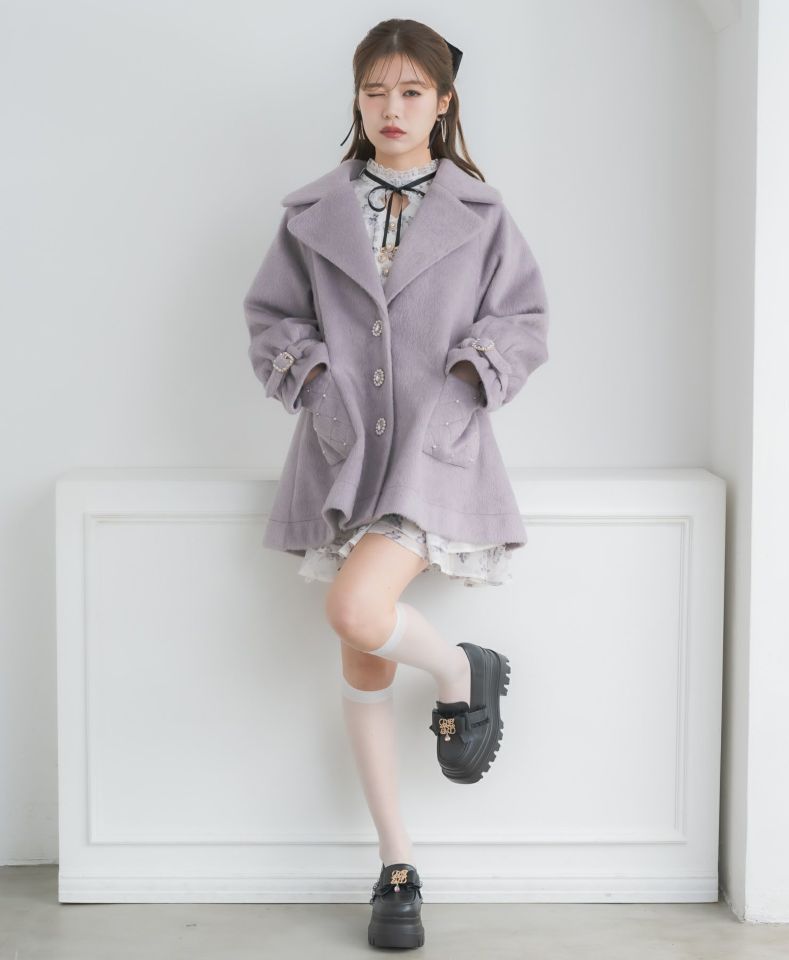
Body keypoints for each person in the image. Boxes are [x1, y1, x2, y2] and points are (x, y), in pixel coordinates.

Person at [243, 18, 549, 950]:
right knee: (363, 656)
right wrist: (317, 389)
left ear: (443, 102)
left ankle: (460, 670)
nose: (392, 107)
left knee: (354, 607)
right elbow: (272, 318)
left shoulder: (482, 215)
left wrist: (464, 389)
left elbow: (523, 321)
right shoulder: (312, 214)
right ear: (357, 99)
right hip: (341, 459)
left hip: (433, 456)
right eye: (375, 90)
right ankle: (396, 866)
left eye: (411, 91)